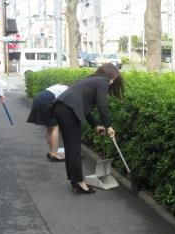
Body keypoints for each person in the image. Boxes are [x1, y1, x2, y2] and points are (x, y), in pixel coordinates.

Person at [53, 63, 123, 194]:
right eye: (114, 78)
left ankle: (75, 181)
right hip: (68, 111)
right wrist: (109, 126)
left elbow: (84, 107)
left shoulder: (91, 80)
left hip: (61, 108)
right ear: (111, 76)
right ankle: (79, 182)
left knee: (70, 148)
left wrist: (95, 125)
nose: (113, 82)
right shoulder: (103, 81)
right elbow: (102, 105)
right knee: (74, 149)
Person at [27, 83, 69, 162]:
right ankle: (54, 154)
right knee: (55, 127)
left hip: (38, 99)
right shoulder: (68, 89)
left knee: (50, 127)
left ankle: (52, 151)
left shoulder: (59, 86)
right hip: (45, 102)